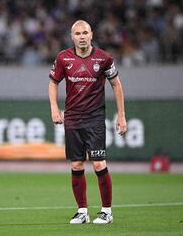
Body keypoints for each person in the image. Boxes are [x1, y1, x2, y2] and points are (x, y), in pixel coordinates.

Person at [48, 20, 127, 224]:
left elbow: (116, 85)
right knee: (76, 164)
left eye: (85, 33)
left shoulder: (104, 58)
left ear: (91, 35)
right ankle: (82, 211)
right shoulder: (63, 58)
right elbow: (53, 83)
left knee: (99, 163)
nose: (82, 36)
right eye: (77, 33)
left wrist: (121, 115)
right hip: (73, 118)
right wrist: (55, 108)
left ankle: (106, 212)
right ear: (72, 36)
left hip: (95, 118)